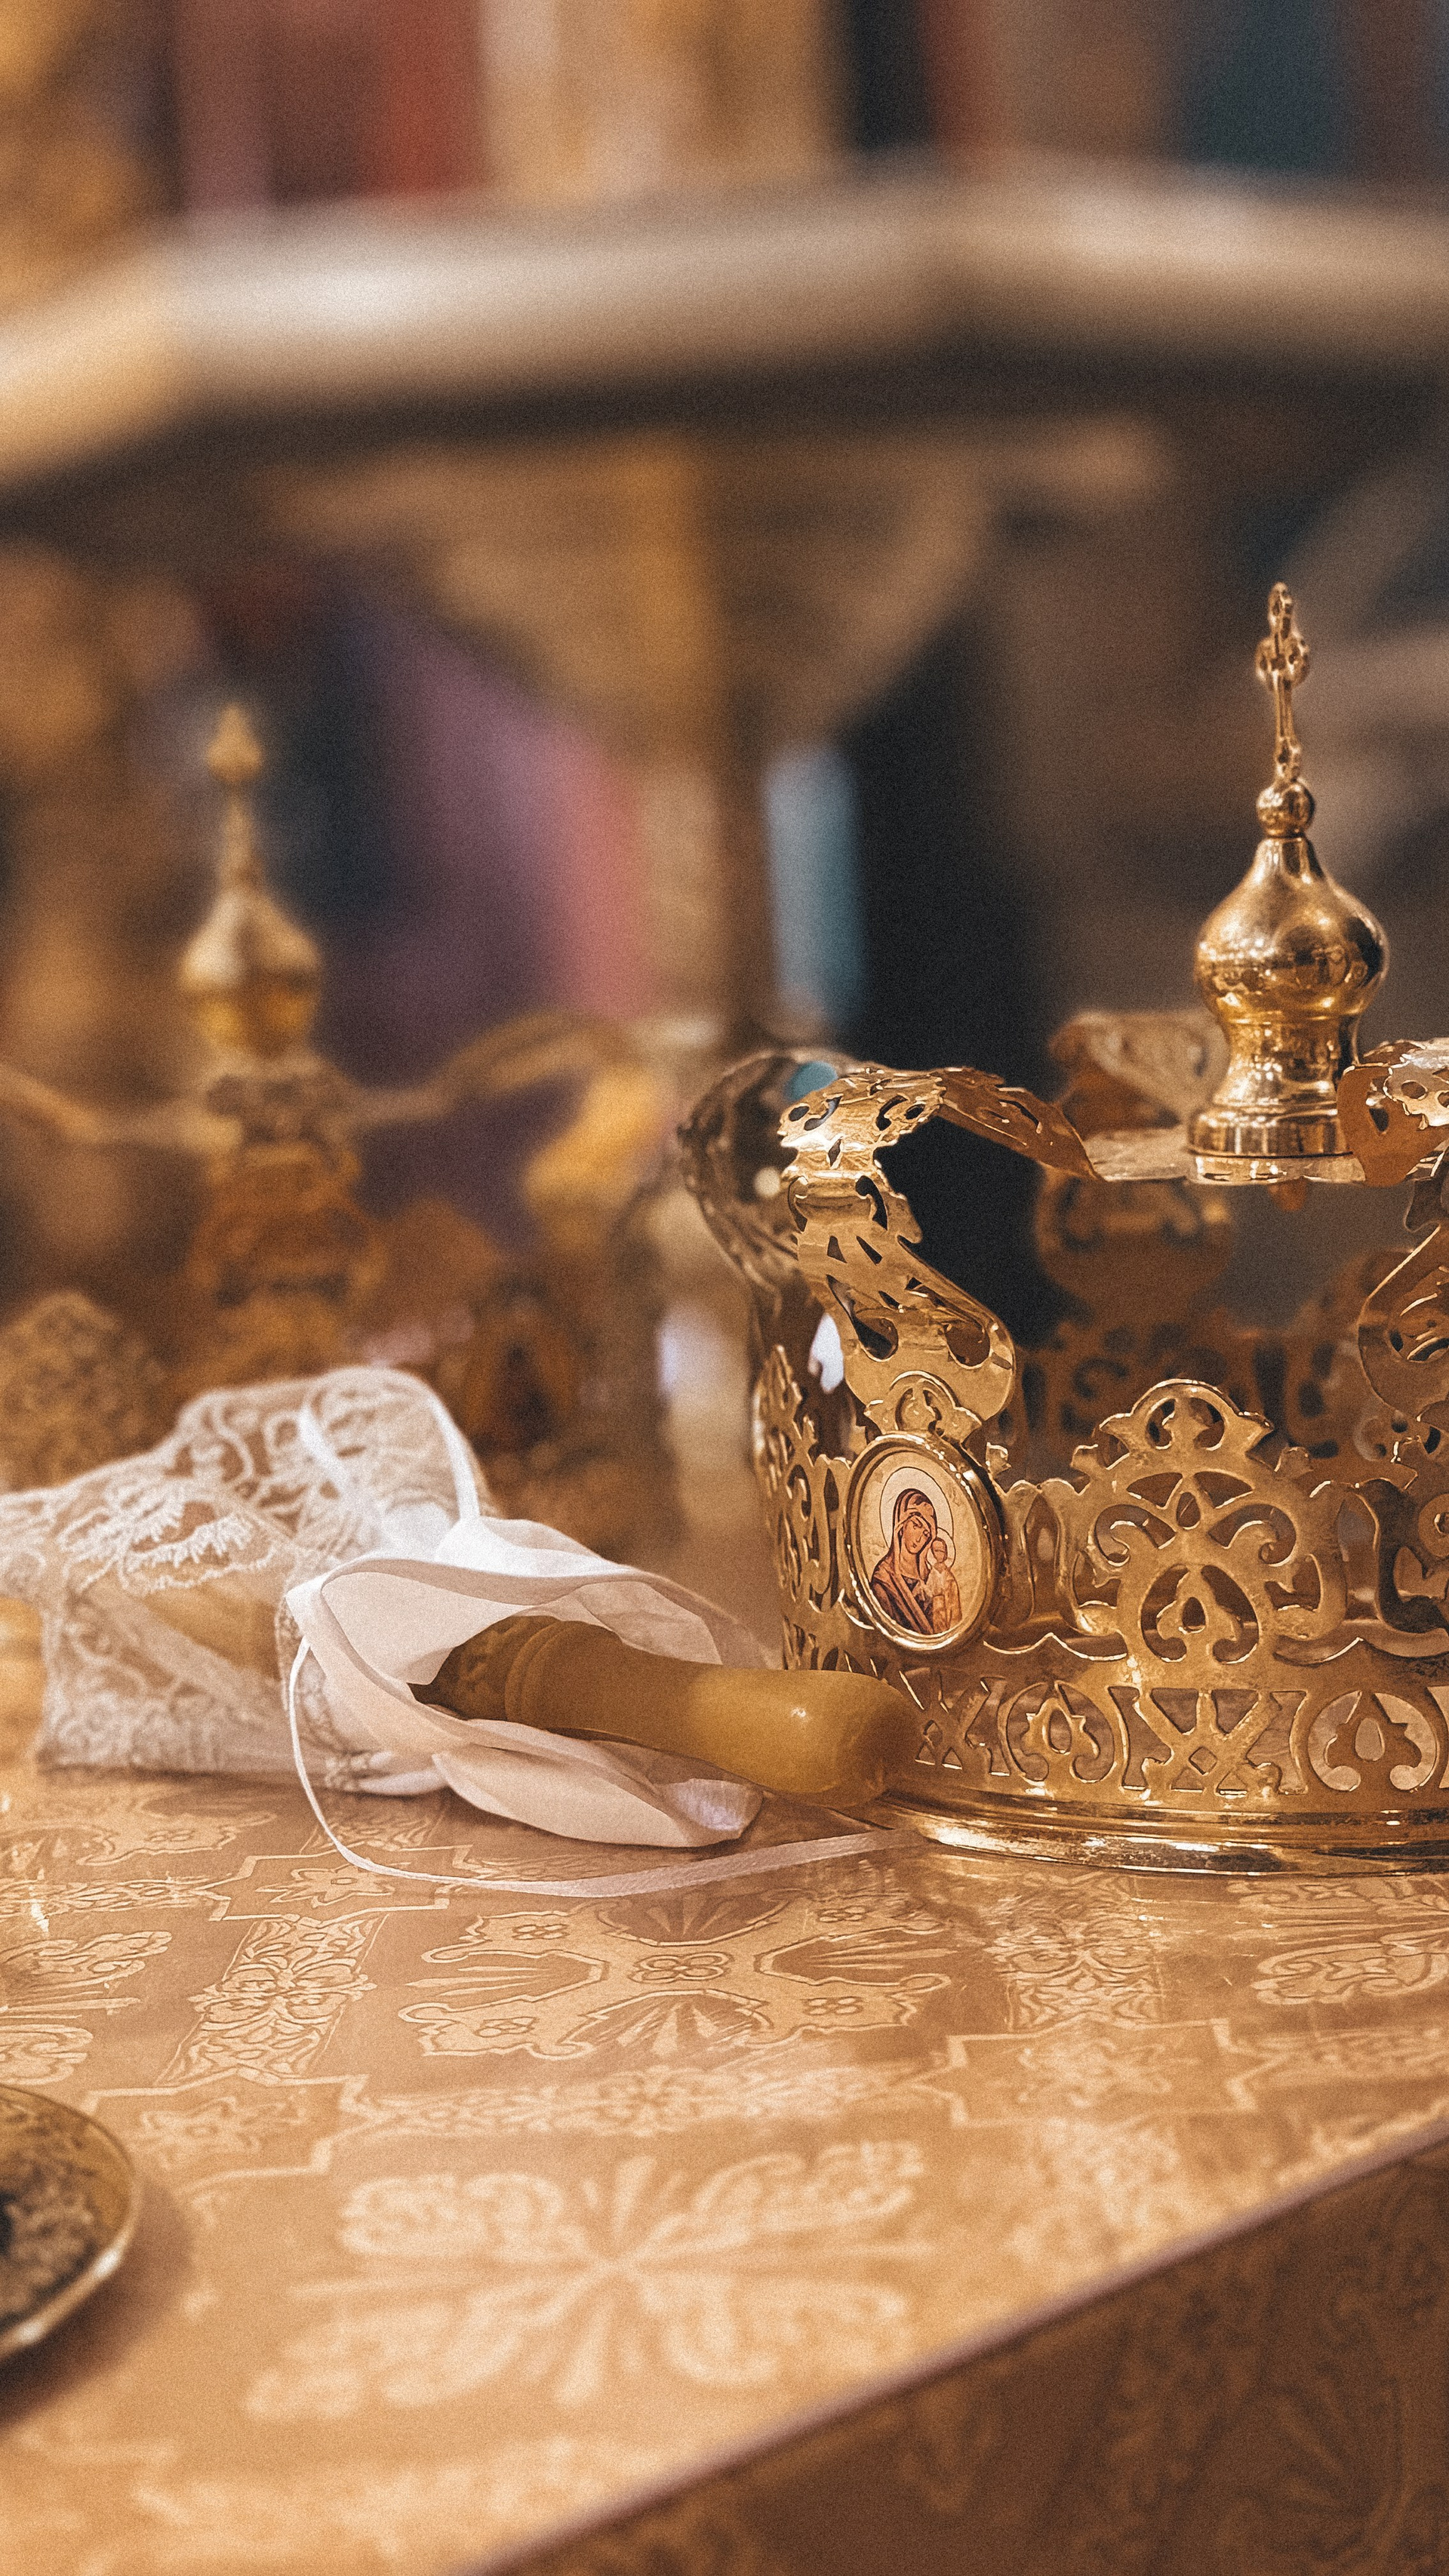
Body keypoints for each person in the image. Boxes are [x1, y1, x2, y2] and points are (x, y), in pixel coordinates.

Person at [870, 1488, 939, 1634]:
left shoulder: (930, 1577)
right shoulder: (884, 1578)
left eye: (926, 1534)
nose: (919, 1539)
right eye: (916, 1526)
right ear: (901, 1524)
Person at [924, 1535, 961, 1633]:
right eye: (937, 1551)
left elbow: (955, 1602)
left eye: (942, 1551)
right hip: (934, 1611)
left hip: (947, 1609)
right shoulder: (932, 1573)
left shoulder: (949, 1577)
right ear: (932, 1552)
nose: (940, 1554)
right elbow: (928, 1590)